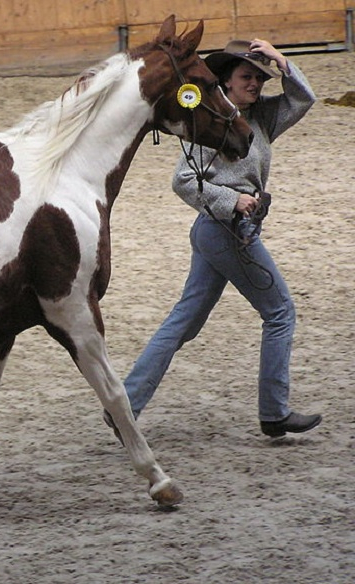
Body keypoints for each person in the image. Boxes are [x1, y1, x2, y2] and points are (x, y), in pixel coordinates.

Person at [107, 39, 322, 439]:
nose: (256, 83)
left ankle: (124, 407)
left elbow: (303, 99)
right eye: (247, 76)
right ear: (225, 81)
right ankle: (274, 412)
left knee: (184, 321)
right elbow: (182, 180)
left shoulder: (262, 118)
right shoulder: (212, 120)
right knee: (280, 313)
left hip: (218, 233)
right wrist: (233, 201)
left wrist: (280, 60)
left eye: (260, 77)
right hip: (225, 232)